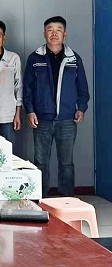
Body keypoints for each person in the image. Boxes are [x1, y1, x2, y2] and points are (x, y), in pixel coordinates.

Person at [24, 16, 89, 197]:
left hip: (67, 119)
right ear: (44, 33)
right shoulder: (35, 58)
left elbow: (82, 87)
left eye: (58, 30)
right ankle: (41, 197)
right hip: (42, 119)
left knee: (66, 162)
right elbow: (27, 88)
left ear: (64, 34)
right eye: (50, 30)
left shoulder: (74, 59)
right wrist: (30, 110)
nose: (54, 33)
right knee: (40, 161)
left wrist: (81, 107)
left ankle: (67, 199)